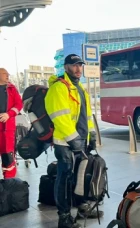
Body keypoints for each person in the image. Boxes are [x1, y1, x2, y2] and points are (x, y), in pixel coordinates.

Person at [45, 54, 101, 228]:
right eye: (74, 65)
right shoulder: (59, 87)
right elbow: (59, 118)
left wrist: (90, 136)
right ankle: (64, 217)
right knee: (65, 178)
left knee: (79, 176)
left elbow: (86, 116)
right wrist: (74, 140)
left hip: (81, 140)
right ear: (66, 66)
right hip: (65, 143)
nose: (78, 68)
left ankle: (82, 206)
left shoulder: (80, 88)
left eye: (80, 65)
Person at [0, 68, 22, 179]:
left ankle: (9, 182)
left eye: (8, 73)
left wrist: (9, 114)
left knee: (8, 156)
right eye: (4, 73)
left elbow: (19, 105)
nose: (7, 75)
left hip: (7, 129)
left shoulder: (12, 89)